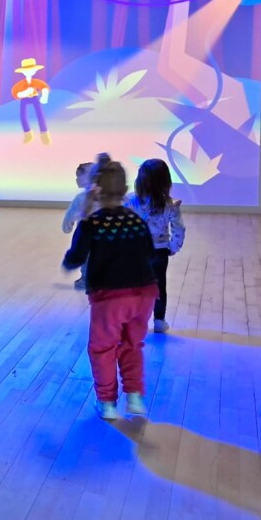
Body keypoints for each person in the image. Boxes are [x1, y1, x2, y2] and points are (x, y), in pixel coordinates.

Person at [62, 161, 158, 420]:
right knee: (132, 344)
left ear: (95, 189)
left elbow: (75, 257)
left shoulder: (91, 223)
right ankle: (135, 395)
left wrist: (68, 263)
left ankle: (107, 402)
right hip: (144, 294)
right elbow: (150, 253)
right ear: (125, 189)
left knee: (103, 348)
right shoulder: (136, 221)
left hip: (109, 297)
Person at [125, 158, 186, 333]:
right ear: (166, 180)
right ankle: (159, 320)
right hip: (159, 252)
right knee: (159, 287)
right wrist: (173, 247)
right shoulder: (170, 204)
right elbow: (179, 229)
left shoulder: (129, 201)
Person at [63, 162, 94, 290]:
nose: (76, 179)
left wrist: (67, 226)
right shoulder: (108, 197)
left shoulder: (80, 198)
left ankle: (86, 279)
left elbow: (69, 217)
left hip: (86, 236)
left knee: (86, 256)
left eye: (79, 176)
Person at [11, 57, 51, 145]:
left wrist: (44, 96)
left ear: (35, 71)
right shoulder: (20, 84)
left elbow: (44, 87)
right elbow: (15, 93)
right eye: (26, 70)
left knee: (40, 115)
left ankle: (44, 134)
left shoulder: (35, 81)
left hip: (35, 98)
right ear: (23, 72)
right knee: (23, 115)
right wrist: (24, 93)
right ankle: (28, 134)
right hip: (24, 99)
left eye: (31, 70)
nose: (29, 72)